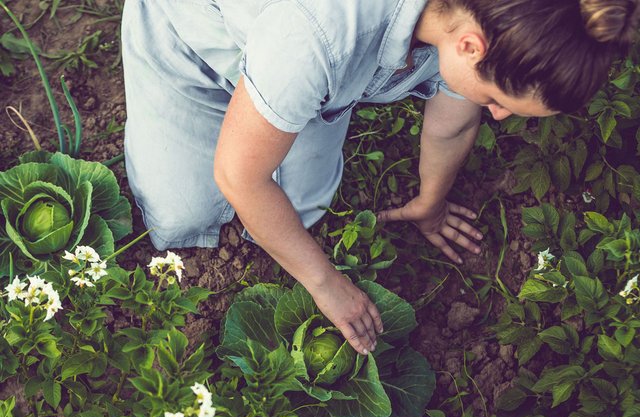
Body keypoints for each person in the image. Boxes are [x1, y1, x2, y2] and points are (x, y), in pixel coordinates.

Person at [121, 0, 638, 356]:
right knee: (180, 219)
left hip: (306, 82)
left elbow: (453, 119)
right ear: (471, 47)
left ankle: (281, 117)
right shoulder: (320, 32)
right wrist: (327, 284)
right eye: (497, 101)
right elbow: (240, 177)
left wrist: (430, 202)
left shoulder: (482, 18)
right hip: (196, 50)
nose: (498, 118)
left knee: (301, 213)